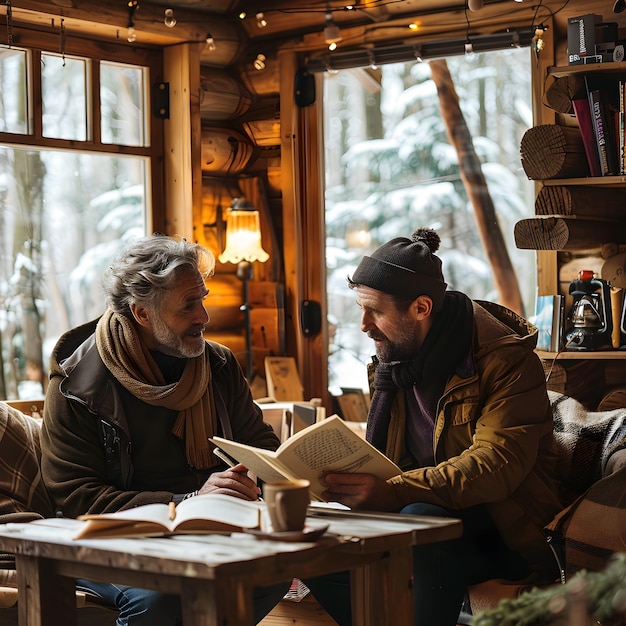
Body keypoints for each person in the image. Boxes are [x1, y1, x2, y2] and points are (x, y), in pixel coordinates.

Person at [305, 227, 564, 626]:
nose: (363, 324)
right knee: (311, 540)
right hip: (424, 511)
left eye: (374, 310)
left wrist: (392, 491)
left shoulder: (506, 362)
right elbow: (392, 458)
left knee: (419, 515)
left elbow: (495, 467)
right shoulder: (395, 362)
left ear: (421, 308)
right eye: (360, 308)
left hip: (505, 529)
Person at [40, 234, 290, 626]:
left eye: (203, 299)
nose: (204, 316)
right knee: (160, 599)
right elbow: (74, 497)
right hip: (112, 540)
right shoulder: (77, 384)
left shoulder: (218, 365)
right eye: (189, 305)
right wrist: (186, 500)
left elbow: (260, 445)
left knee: (271, 573)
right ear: (142, 313)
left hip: (206, 534)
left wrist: (250, 475)